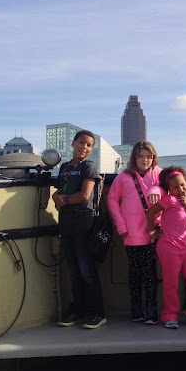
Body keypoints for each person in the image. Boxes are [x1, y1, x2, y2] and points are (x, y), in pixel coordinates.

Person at [52, 130, 106, 329]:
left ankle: (97, 312)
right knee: (73, 270)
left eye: (89, 145)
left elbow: (84, 195)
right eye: (82, 142)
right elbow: (60, 190)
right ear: (73, 143)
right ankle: (77, 309)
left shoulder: (88, 167)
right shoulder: (65, 167)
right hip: (66, 223)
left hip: (83, 223)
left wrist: (63, 200)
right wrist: (56, 198)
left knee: (86, 269)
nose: (85, 147)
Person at [107, 141, 162, 324]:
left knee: (150, 274)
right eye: (141, 156)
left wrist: (156, 188)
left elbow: (173, 184)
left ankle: (152, 309)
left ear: (153, 158)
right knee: (135, 274)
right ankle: (136, 308)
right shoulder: (123, 177)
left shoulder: (159, 175)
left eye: (149, 156)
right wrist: (121, 227)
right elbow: (112, 199)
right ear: (134, 158)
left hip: (153, 232)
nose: (145, 160)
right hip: (130, 234)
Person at [146, 166, 186, 329]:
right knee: (171, 282)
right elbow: (150, 212)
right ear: (169, 189)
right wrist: (153, 231)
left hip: (184, 248)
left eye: (182, 185)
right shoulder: (168, 200)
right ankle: (170, 315)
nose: (181, 189)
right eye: (175, 187)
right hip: (168, 247)